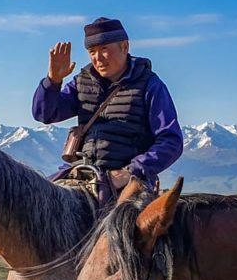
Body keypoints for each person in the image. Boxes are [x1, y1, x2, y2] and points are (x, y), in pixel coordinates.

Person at [32, 17, 183, 194]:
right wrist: (53, 81)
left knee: (121, 221)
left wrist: (131, 171)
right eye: (92, 51)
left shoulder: (150, 85)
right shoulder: (82, 82)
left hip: (128, 181)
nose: (98, 58)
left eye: (104, 49)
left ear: (124, 47)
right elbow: (44, 114)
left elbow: (171, 141)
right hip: (84, 173)